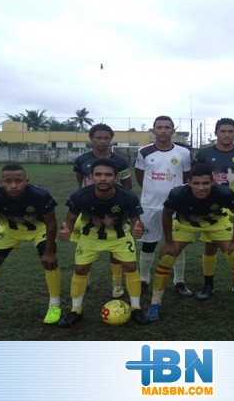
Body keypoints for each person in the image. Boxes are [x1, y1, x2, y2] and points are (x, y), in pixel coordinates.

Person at [146, 163, 234, 325]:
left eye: (205, 183)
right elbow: (166, 215)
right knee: (167, 257)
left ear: (213, 182)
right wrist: (169, 242)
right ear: (189, 182)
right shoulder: (178, 194)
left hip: (216, 222)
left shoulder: (224, 192)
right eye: (196, 183)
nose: (201, 188)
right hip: (185, 223)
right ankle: (155, 304)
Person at [57, 158, 149, 327]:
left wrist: (138, 229)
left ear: (116, 177)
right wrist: (66, 230)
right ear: (91, 177)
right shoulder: (80, 196)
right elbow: (69, 219)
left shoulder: (128, 196)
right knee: (81, 269)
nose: (103, 178)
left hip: (119, 236)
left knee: (130, 267)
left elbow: (137, 222)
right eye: (98, 174)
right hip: (90, 236)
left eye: (108, 175)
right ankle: (75, 310)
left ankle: (136, 308)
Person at [0, 163, 61, 324]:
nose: (13, 185)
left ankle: (55, 305)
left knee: (49, 263)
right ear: (1, 182)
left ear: (26, 181)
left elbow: (51, 223)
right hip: (9, 230)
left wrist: (49, 252)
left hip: (38, 229)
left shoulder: (40, 195)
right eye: (8, 181)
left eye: (18, 181)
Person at [192, 118, 234, 300]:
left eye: (230, 131)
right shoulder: (203, 155)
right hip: (211, 206)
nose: (227, 134)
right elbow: (195, 182)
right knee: (210, 245)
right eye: (223, 131)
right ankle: (208, 284)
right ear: (216, 133)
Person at [135, 115, 193, 297]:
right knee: (148, 244)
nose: (163, 131)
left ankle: (179, 281)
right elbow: (140, 176)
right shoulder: (143, 152)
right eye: (159, 127)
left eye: (167, 127)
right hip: (150, 206)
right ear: (153, 130)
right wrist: (152, 191)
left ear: (173, 131)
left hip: (176, 207)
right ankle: (144, 279)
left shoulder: (183, 153)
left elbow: (186, 178)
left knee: (177, 244)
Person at [73, 123, 132, 299]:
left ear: (111, 139)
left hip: (115, 211)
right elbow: (80, 183)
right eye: (99, 137)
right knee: (86, 245)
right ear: (91, 138)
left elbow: (127, 187)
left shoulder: (120, 161)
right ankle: (86, 276)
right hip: (89, 211)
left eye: (106, 138)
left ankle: (116, 282)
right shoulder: (82, 160)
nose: (102, 141)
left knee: (116, 248)